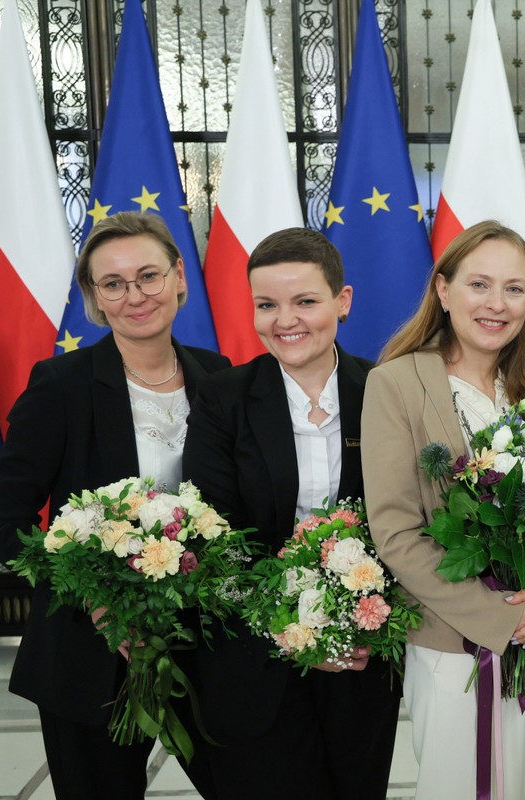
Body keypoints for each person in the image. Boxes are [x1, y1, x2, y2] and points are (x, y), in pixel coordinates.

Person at [0, 212, 227, 799]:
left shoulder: (220, 379)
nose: (135, 296)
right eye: (113, 283)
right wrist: (92, 597)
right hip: (88, 651)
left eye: (148, 276)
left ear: (179, 280)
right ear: (94, 298)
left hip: (210, 646)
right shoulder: (60, 384)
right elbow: (2, 519)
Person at [361, 219, 525, 799]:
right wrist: (499, 617)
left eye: (515, 289)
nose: (497, 304)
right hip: (454, 644)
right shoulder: (395, 383)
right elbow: (396, 535)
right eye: (479, 285)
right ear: (443, 290)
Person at [181, 228, 401, 797]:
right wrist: (296, 630)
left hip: (362, 655)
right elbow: (215, 537)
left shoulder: (386, 390)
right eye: (266, 305)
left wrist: (359, 621)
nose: (286, 320)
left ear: (342, 301)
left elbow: (407, 523)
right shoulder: (222, 398)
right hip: (255, 658)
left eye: (305, 301)